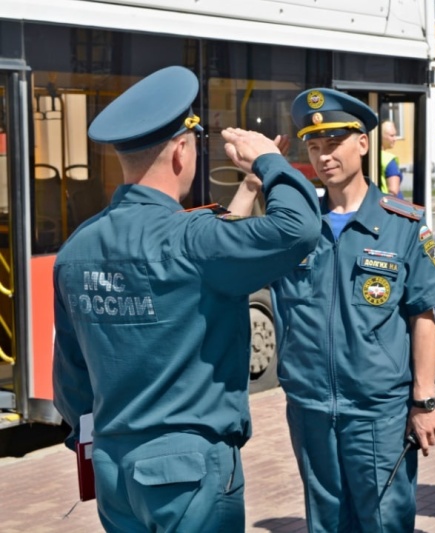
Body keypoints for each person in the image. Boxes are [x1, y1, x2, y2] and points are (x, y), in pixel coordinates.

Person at [51, 66, 321, 532]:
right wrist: (267, 162)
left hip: (114, 468)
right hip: (188, 467)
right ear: (181, 152)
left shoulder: (76, 248)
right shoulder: (193, 239)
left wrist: (96, 440)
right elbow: (298, 230)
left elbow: (72, 380)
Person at [229, 88, 435, 532]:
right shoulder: (296, 228)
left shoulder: (401, 224)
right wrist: (255, 181)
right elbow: (226, 250)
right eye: (314, 146)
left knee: (384, 523)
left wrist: (424, 399)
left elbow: (423, 316)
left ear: (363, 144)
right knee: (327, 522)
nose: (323, 156)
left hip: (379, 412)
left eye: (333, 143)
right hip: (311, 406)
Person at [380, 120, 404, 197]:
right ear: (381, 136)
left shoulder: (368, 157)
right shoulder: (389, 160)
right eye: (392, 136)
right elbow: (393, 191)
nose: (395, 139)